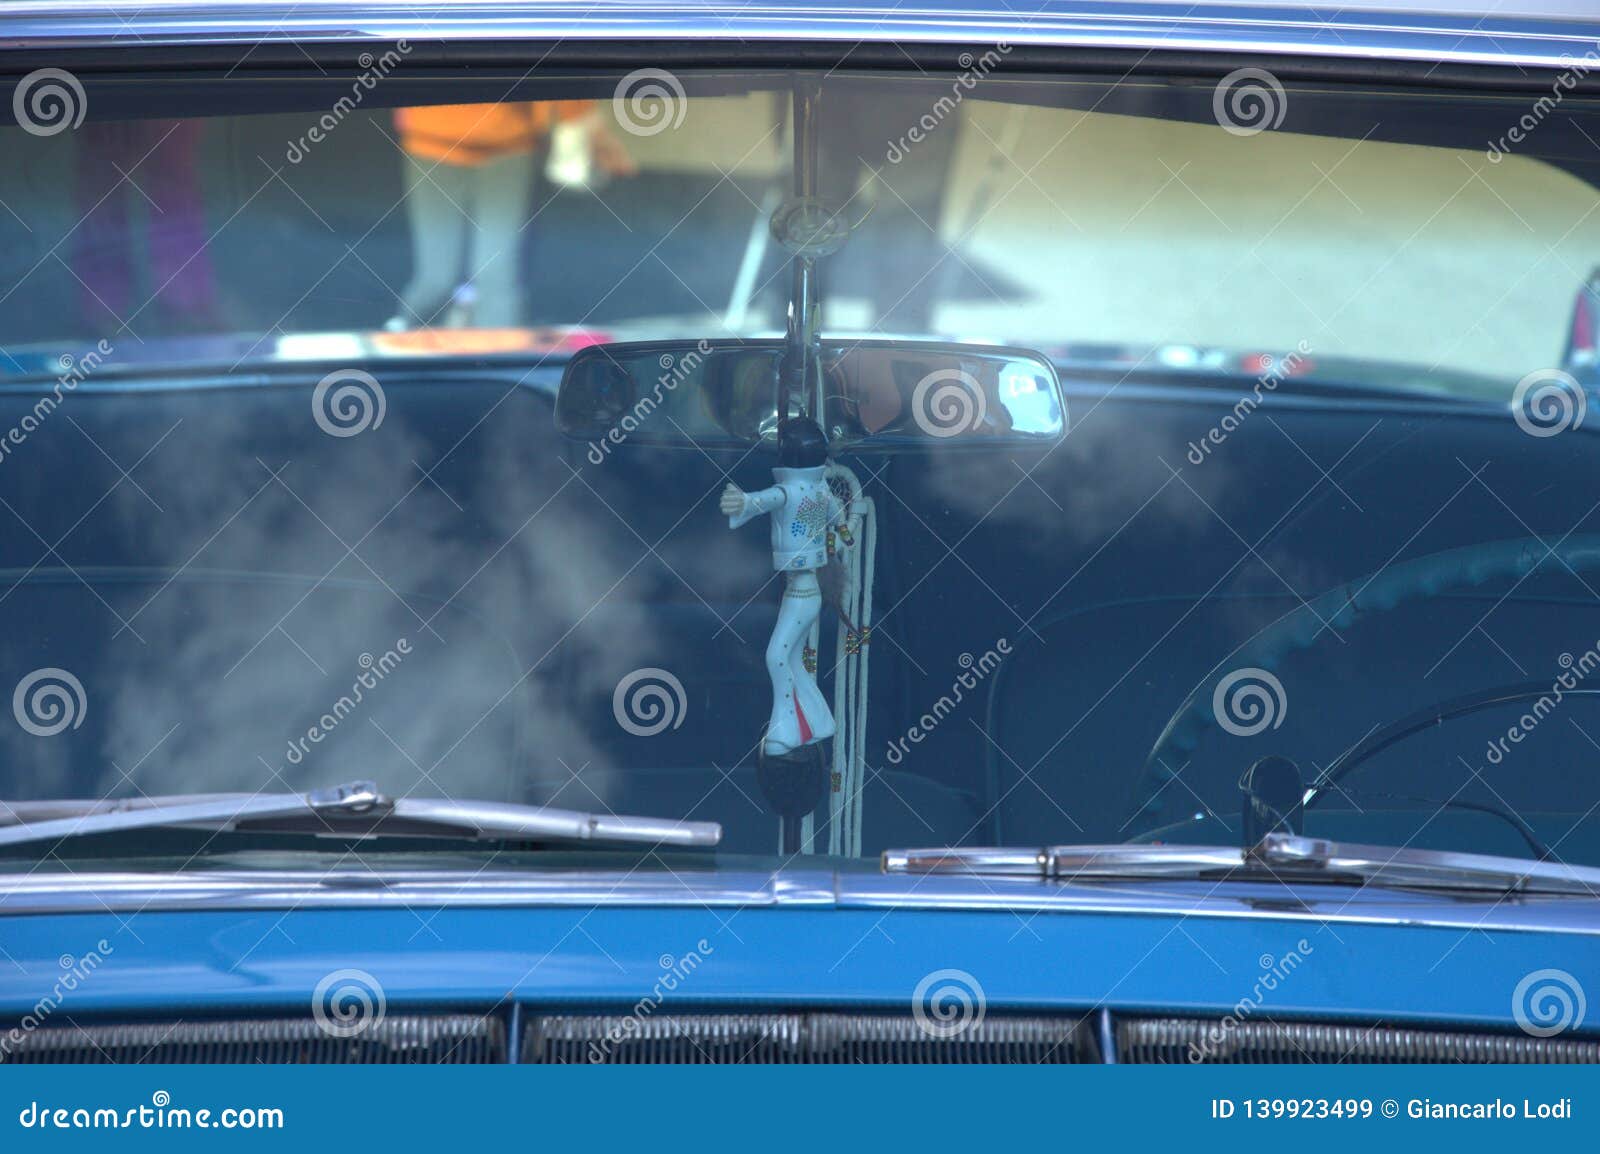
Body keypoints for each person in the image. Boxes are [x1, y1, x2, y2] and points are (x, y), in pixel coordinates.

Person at [388, 101, 636, 329]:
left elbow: (549, 62)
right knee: (438, 279)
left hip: (507, 148)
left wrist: (580, 120)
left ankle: (496, 362)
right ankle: (410, 355)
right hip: (434, 144)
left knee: (494, 278)